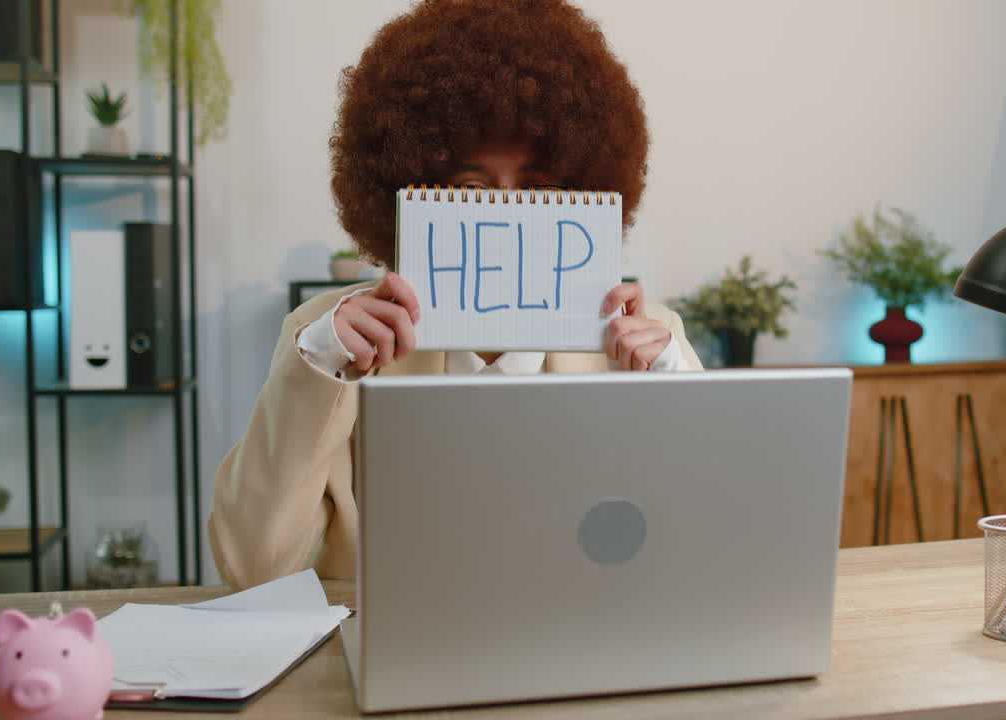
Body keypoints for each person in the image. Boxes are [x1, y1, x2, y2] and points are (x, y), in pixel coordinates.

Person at [210, 0, 703, 589]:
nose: (506, 209)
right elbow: (249, 570)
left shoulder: (645, 340)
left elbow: (709, 547)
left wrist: (671, 386)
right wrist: (315, 368)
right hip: (386, 658)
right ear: (403, 189)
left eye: (537, 186)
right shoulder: (329, 337)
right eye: (469, 186)